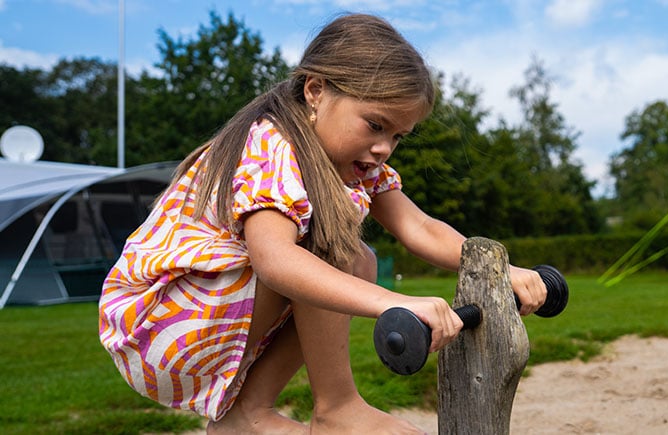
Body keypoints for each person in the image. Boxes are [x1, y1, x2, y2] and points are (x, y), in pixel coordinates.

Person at [98, 14, 547, 434]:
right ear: (315, 91)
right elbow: (274, 260)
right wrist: (395, 302)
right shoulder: (272, 143)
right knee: (332, 246)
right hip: (158, 326)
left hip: (198, 321)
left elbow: (421, 228)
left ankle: (247, 414)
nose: (385, 147)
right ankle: (337, 408)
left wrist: (501, 272)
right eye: (375, 125)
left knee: (359, 259)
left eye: (397, 136)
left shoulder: (359, 168)